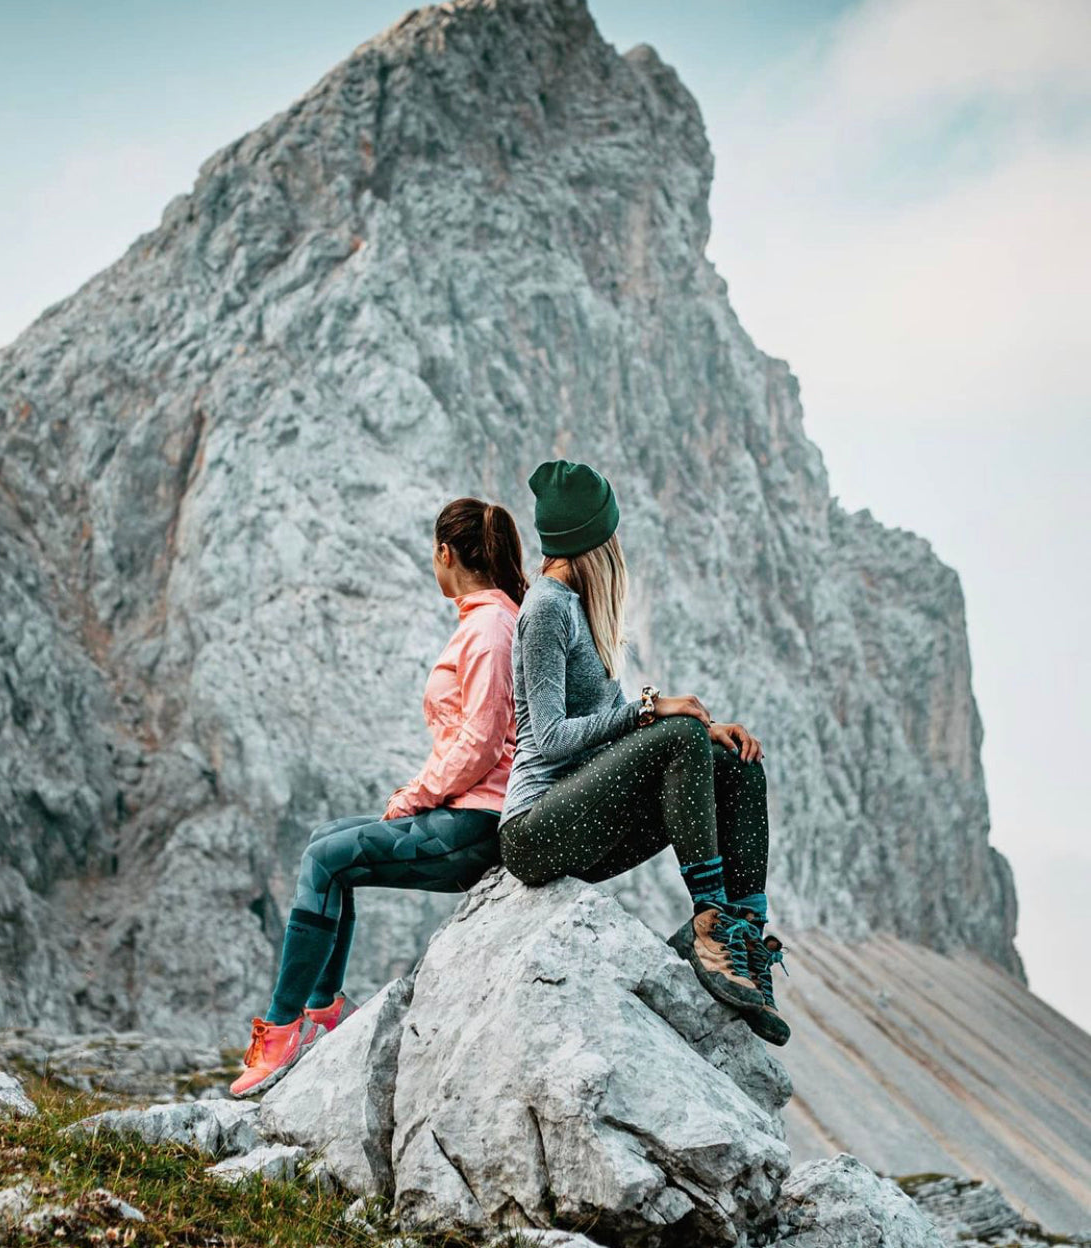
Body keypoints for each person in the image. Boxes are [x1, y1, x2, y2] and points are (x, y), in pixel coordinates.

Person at [230, 497, 527, 1096]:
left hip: (475, 825)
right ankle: (322, 1013)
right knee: (325, 845)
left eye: (433, 554)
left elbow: (482, 737)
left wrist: (417, 796)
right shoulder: (485, 620)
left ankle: (286, 1028)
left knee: (325, 859)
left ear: (445, 553)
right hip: (465, 813)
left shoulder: (490, 628)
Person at [498, 459, 790, 1046]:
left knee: (735, 761)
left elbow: (608, 730)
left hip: (581, 821)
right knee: (680, 734)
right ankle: (709, 921)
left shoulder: (576, 606)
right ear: (591, 540)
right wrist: (652, 711)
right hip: (534, 830)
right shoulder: (547, 607)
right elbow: (551, 737)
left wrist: (695, 730)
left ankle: (742, 932)